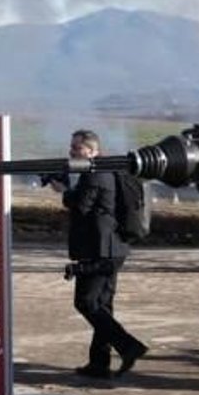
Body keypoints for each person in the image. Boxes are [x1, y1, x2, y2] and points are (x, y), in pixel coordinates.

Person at [58, 129, 147, 380]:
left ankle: (129, 346)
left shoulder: (96, 172)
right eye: (72, 147)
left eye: (77, 148)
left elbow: (81, 206)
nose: (72, 151)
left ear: (92, 150)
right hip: (112, 247)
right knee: (102, 306)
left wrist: (63, 190)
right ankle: (99, 363)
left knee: (86, 303)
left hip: (100, 249)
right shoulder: (106, 169)